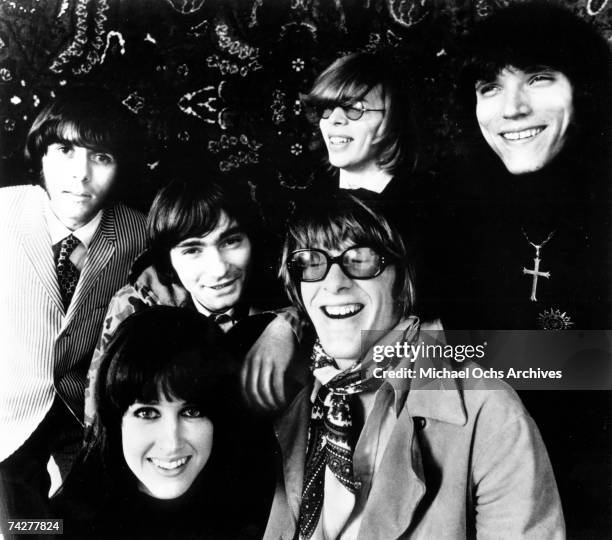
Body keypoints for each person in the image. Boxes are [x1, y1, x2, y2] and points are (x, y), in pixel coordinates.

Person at [265, 192, 564, 539]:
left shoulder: (490, 411)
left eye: (360, 259)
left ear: (402, 279)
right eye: (311, 263)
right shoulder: (293, 408)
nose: (334, 283)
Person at [438, 3, 612, 536]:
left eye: (538, 79)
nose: (510, 108)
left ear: (583, 91)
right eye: (489, 87)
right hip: (486, 487)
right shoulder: (449, 205)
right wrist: (289, 325)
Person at [0, 87, 147, 529]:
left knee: (95, 521)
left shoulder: (138, 233)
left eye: (101, 157)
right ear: (41, 155)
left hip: (84, 412)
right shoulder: (4, 212)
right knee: (23, 524)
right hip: (8, 410)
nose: (80, 174)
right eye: (64, 150)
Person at [84, 167, 300, 423]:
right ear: (168, 260)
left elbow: (359, 341)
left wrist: (288, 324)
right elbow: (99, 419)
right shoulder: (133, 305)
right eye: (192, 250)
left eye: (230, 241)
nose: (219, 269)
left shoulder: (288, 290)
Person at [52, 306, 264, 538]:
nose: (171, 443)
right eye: (147, 413)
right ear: (115, 421)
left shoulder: (262, 514)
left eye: (192, 412)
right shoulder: (57, 523)